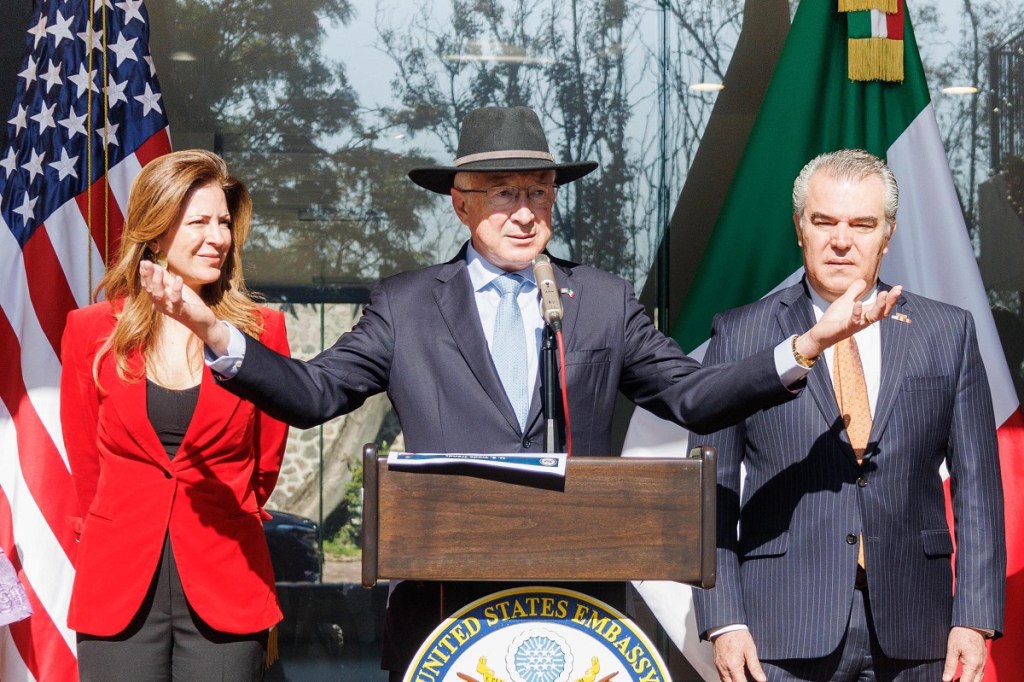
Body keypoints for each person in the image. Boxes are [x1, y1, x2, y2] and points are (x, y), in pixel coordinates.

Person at [138, 107, 899, 678]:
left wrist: (803, 347)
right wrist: (216, 334)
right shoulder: (405, 305)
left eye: (538, 191)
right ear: (460, 204)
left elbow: (693, 396)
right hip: (445, 606)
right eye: (502, 194)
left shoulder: (597, 299)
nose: (525, 210)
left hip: (580, 607)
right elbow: (311, 393)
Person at [692, 149, 1005, 682]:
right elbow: (708, 489)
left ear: (888, 233)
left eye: (862, 224)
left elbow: (978, 486)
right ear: (799, 229)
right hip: (778, 630)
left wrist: (974, 618)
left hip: (918, 628)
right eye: (824, 222)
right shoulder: (741, 335)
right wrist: (724, 620)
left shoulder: (947, 332)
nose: (842, 241)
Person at [60, 149, 290, 681]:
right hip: (117, 587)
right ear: (156, 232)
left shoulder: (261, 331)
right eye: (199, 222)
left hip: (227, 584)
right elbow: (86, 469)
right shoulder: (91, 331)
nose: (217, 237)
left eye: (224, 223)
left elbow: (264, 468)